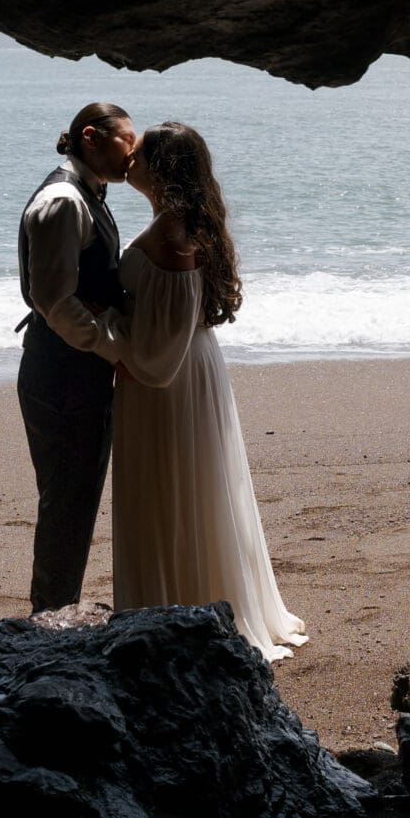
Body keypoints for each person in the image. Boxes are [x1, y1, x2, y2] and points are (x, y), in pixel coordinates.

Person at [101, 122, 307, 662]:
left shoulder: (171, 234)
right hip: (189, 365)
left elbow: (158, 350)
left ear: (162, 169)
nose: (130, 159)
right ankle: (190, 603)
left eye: (140, 153)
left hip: (166, 378)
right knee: (194, 488)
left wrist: (105, 333)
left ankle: (174, 613)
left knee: (171, 488)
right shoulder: (181, 224)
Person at [15, 100, 137, 613]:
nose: (134, 151)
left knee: (74, 497)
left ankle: (57, 610)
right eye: (126, 140)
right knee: (68, 500)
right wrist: (115, 350)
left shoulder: (91, 193)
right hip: (63, 372)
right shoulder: (65, 200)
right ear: (91, 136)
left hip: (70, 367)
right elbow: (55, 302)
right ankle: (50, 618)